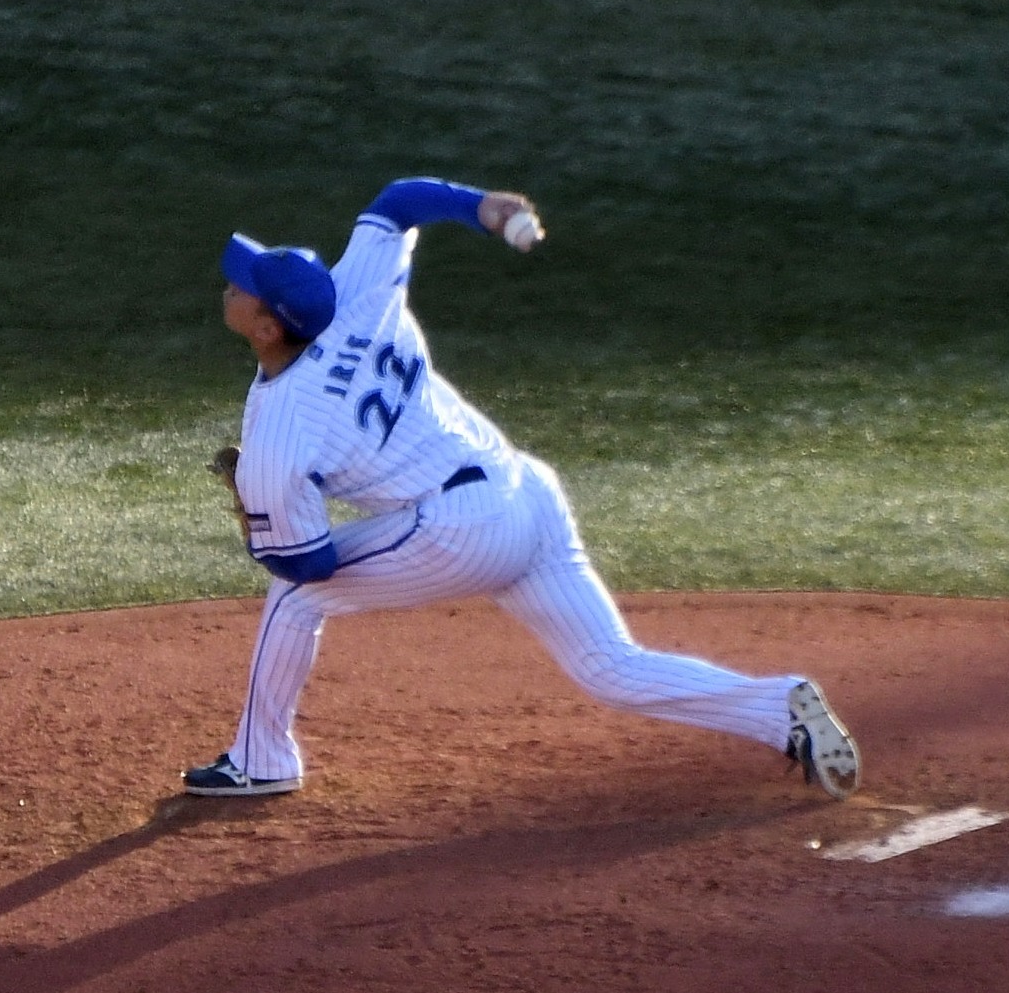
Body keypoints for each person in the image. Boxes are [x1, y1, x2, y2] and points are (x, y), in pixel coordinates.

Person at [184, 177, 861, 800]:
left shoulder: (279, 428)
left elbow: (310, 566)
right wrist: (481, 207)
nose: (229, 286)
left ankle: (261, 758)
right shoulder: (352, 295)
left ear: (269, 327)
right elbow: (397, 202)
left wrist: (259, 518)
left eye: (240, 286)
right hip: (525, 492)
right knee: (609, 667)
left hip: (460, 531)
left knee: (293, 595)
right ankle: (780, 709)